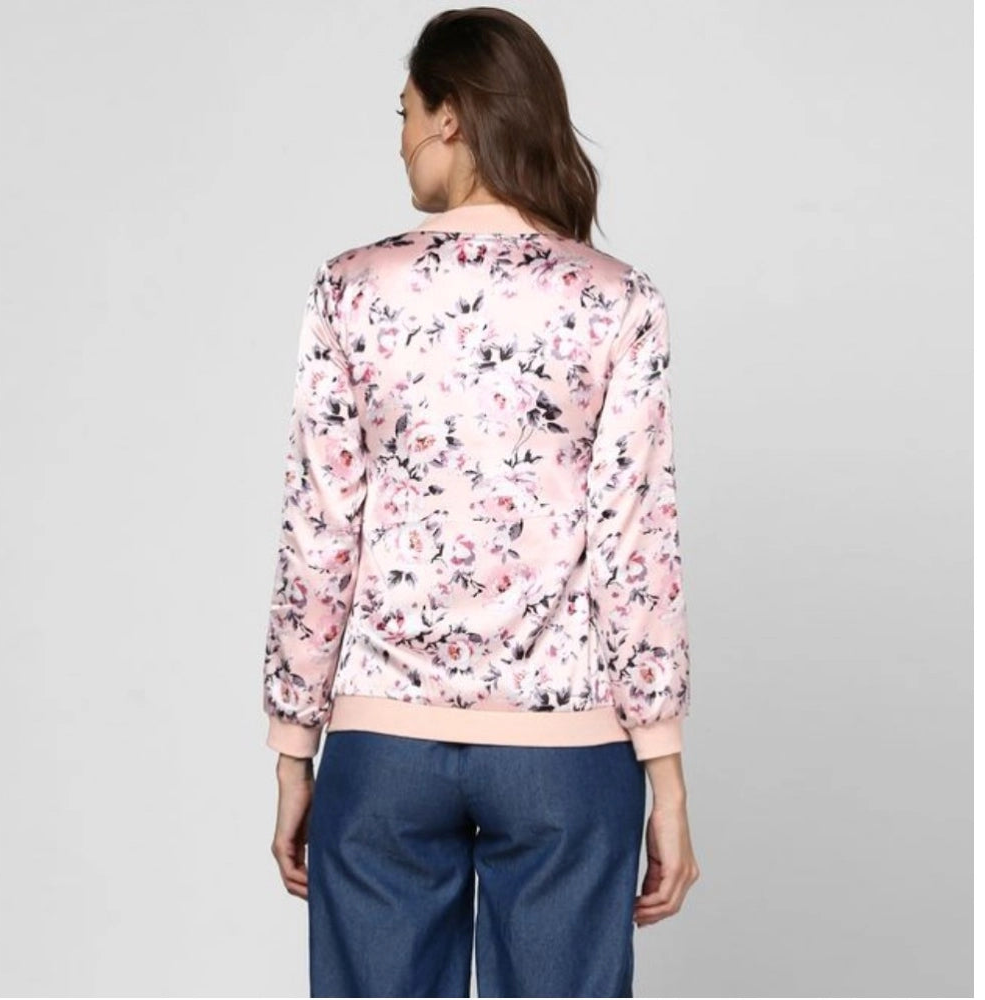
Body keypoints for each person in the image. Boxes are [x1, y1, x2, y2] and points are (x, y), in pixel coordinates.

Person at [262, 7, 700, 997]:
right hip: (566, 751)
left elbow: (318, 532)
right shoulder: (615, 297)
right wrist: (664, 769)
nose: (401, 139)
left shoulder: (350, 289)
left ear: (450, 116)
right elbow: (637, 544)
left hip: (382, 746)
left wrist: (294, 749)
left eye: (406, 112)